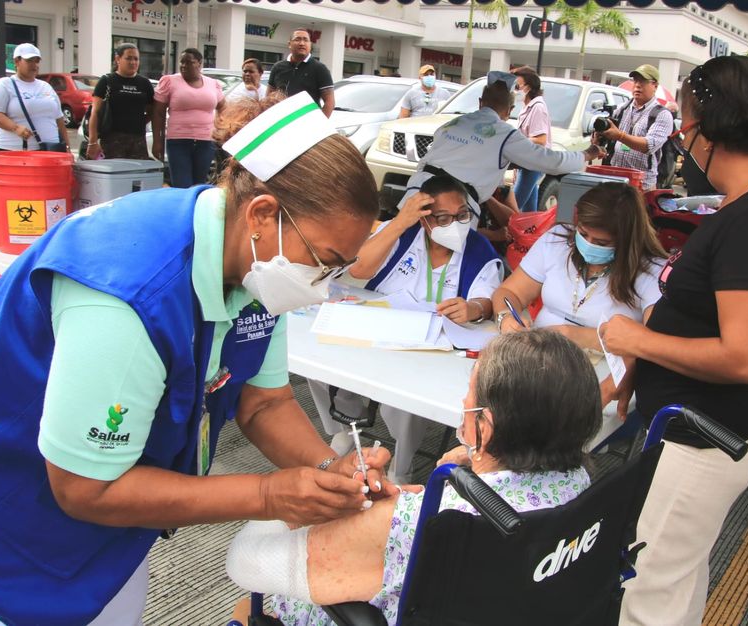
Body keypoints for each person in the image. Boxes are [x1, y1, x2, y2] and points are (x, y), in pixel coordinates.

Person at [0, 92, 397, 626]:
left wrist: (329, 469)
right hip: (0, 529)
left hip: (118, 525)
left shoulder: (260, 263)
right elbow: (85, 488)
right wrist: (269, 494)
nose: (322, 285)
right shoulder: (127, 295)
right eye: (325, 263)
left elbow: (264, 402)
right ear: (263, 214)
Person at [600, 56, 748, 626]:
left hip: (703, 436)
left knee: (647, 591)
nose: (684, 143)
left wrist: (640, 343)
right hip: (693, 423)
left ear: (712, 130)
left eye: (686, 128)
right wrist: (640, 375)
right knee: (676, 577)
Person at [226, 329, 600, 626]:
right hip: (518, 605)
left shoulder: (423, 519)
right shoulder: (583, 483)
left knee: (245, 608)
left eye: (468, 397)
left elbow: (247, 561)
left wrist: (323, 502)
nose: (462, 405)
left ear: (483, 426)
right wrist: (456, 469)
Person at [309, 175, 503, 483]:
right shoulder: (402, 234)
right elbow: (359, 268)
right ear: (424, 218)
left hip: (429, 349)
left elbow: (488, 298)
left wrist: (474, 308)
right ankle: (345, 429)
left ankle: (404, 461)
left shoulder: (477, 249)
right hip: (381, 330)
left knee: (403, 397)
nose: (456, 224)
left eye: (462, 214)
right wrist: (400, 221)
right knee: (318, 363)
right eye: (442, 217)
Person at [492, 182, 665, 407]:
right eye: (582, 234)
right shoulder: (557, 241)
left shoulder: (652, 271)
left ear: (627, 240)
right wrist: (506, 318)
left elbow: (654, 343)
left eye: (602, 243)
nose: (589, 245)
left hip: (605, 374)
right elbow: (509, 292)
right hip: (537, 363)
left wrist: (573, 335)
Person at [397, 72, 604, 226]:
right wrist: (588, 153)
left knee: (403, 251)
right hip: (452, 206)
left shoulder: (453, 123)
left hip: (416, 193)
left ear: (480, 102)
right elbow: (552, 161)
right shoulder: (505, 134)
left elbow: (465, 155)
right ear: (510, 110)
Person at [152, 48, 225, 188]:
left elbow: (223, 107)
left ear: (199, 63)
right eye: (181, 62)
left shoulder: (212, 83)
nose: (184, 65)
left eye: (189, 62)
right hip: (178, 142)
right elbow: (158, 113)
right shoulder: (169, 81)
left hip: (205, 142)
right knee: (182, 185)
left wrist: (219, 130)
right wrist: (158, 141)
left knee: (199, 185)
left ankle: (195, 210)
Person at [597, 64, 675, 191]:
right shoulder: (622, 108)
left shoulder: (662, 115)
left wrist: (620, 136)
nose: (638, 85)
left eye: (643, 81)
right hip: (615, 181)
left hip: (642, 185)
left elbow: (648, 146)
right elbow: (610, 135)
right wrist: (600, 139)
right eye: (636, 81)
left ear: (655, 86)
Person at [0, 43, 69, 152]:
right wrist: (15, 128)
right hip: (13, 150)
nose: (34, 65)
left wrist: (67, 146)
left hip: (49, 150)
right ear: (16, 61)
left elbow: (59, 119)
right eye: (29, 60)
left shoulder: (45, 86)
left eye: (37, 61)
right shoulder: (5, 84)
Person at [86, 43, 156, 160]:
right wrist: (92, 142)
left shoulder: (145, 83)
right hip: (111, 139)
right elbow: (95, 113)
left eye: (136, 59)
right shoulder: (107, 81)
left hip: (137, 139)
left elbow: (152, 111)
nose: (133, 62)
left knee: (136, 176)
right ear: (118, 59)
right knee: (114, 175)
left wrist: (137, 122)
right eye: (128, 58)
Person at [511, 66, 552, 212]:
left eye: (517, 86)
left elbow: (541, 139)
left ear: (529, 87)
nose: (514, 90)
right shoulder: (527, 107)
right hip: (527, 162)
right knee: (529, 209)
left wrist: (515, 142)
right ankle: (531, 232)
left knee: (513, 206)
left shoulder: (538, 107)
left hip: (534, 162)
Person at [267, 28, 334, 117]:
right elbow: (268, 97)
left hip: (306, 123)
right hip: (281, 122)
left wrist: (319, 125)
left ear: (310, 44)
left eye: (305, 40)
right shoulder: (278, 67)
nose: (302, 43)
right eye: (297, 39)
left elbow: (329, 101)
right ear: (289, 44)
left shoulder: (320, 69)